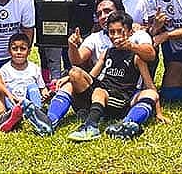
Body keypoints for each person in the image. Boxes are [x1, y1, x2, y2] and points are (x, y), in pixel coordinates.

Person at [66, 11, 160, 141]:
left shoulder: (136, 55)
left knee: (150, 93)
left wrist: (158, 112)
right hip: (101, 94)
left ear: (130, 32)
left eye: (120, 31)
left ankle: (124, 124)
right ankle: (91, 123)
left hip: (121, 99)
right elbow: (92, 76)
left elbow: (150, 85)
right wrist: (73, 49)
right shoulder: (107, 52)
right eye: (111, 32)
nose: (115, 36)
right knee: (75, 73)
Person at [0, 33, 54, 135]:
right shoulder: (4, 70)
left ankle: (37, 111)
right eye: (15, 49)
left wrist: (46, 94)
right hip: (14, 102)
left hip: (30, 102)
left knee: (32, 86)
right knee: (5, 89)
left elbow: (42, 88)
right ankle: (14, 114)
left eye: (22, 49)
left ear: (29, 51)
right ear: (9, 51)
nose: (18, 52)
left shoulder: (34, 68)